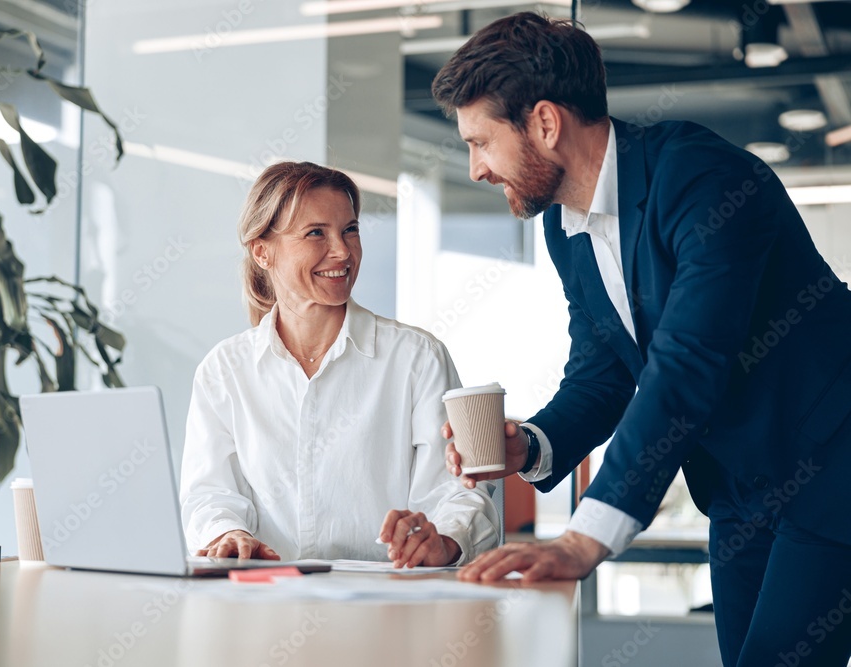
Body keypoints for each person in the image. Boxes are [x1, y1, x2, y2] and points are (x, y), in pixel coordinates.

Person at [432, 11, 851, 667]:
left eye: (481, 141)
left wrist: (583, 539)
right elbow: (602, 372)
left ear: (544, 123)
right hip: (739, 489)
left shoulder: (705, 179)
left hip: (829, 466)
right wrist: (531, 444)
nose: (476, 168)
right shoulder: (565, 223)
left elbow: (688, 364)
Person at [180, 161, 499, 568]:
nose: (343, 251)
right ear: (262, 252)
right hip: (265, 604)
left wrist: (444, 540)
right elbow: (209, 494)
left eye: (350, 230)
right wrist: (227, 532)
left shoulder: (416, 358)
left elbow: (461, 490)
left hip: (389, 603)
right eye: (316, 233)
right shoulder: (224, 370)